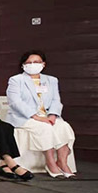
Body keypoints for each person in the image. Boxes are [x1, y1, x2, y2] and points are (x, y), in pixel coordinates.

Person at [7, 50, 76, 178]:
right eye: (29, 62)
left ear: (43, 64)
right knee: (45, 128)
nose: (33, 64)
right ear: (23, 65)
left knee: (64, 127)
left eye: (37, 62)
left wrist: (53, 115)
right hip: (24, 117)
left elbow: (56, 100)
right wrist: (36, 116)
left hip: (47, 116)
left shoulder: (51, 80)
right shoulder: (16, 80)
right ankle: (50, 163)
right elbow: (15, 102)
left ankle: (62, 162)